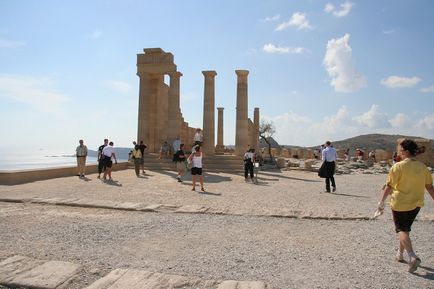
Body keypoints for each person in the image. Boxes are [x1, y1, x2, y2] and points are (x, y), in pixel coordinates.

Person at [377, 139, 434, 273]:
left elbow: (389, 187)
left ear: (406, 151)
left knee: (401, 229)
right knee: (405, 229)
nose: (400, 152)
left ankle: (412, 256)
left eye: (401, 150)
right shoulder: (422, 167)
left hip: (400, 203)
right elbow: (430, 187)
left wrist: (381, 202)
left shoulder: (398, 166)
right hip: (416, 204)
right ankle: (400, 254)